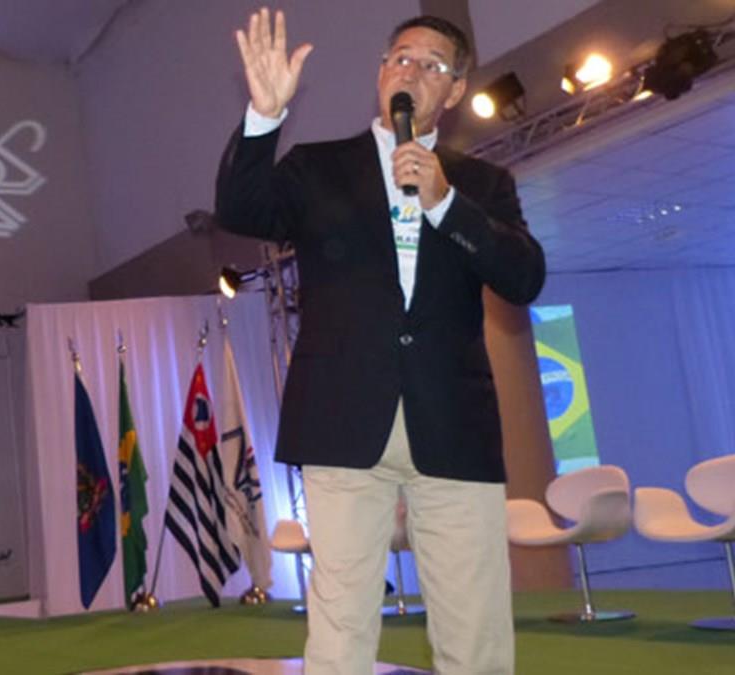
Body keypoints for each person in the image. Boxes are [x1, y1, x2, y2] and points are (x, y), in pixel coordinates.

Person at [215, 9, 546, 675]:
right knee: (341, 618)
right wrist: (263, 117)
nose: (411, 72)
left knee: (475, 621)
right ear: (381, 73)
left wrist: (445, 201)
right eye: (401, 58)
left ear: (455, 90)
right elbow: (240, 208)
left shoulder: (484, 185)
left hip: (453, 422)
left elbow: (524, 277)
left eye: (432, 65)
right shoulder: (317, 168)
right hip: (342, 418)